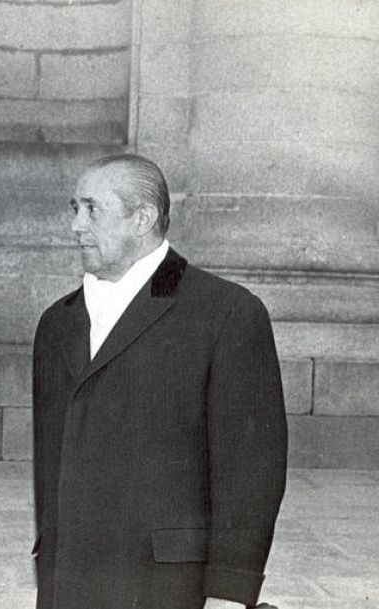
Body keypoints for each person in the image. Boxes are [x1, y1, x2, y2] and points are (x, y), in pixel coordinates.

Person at [32, 154, 287, 609]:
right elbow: (50, 468)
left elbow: (251, 472)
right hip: (70, 586)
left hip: (168, 589)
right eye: (74, 208)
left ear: (143, 218)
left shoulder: (227, 313)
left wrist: (231, 592)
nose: (75, 225)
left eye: (92, 209)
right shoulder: (57, 323)